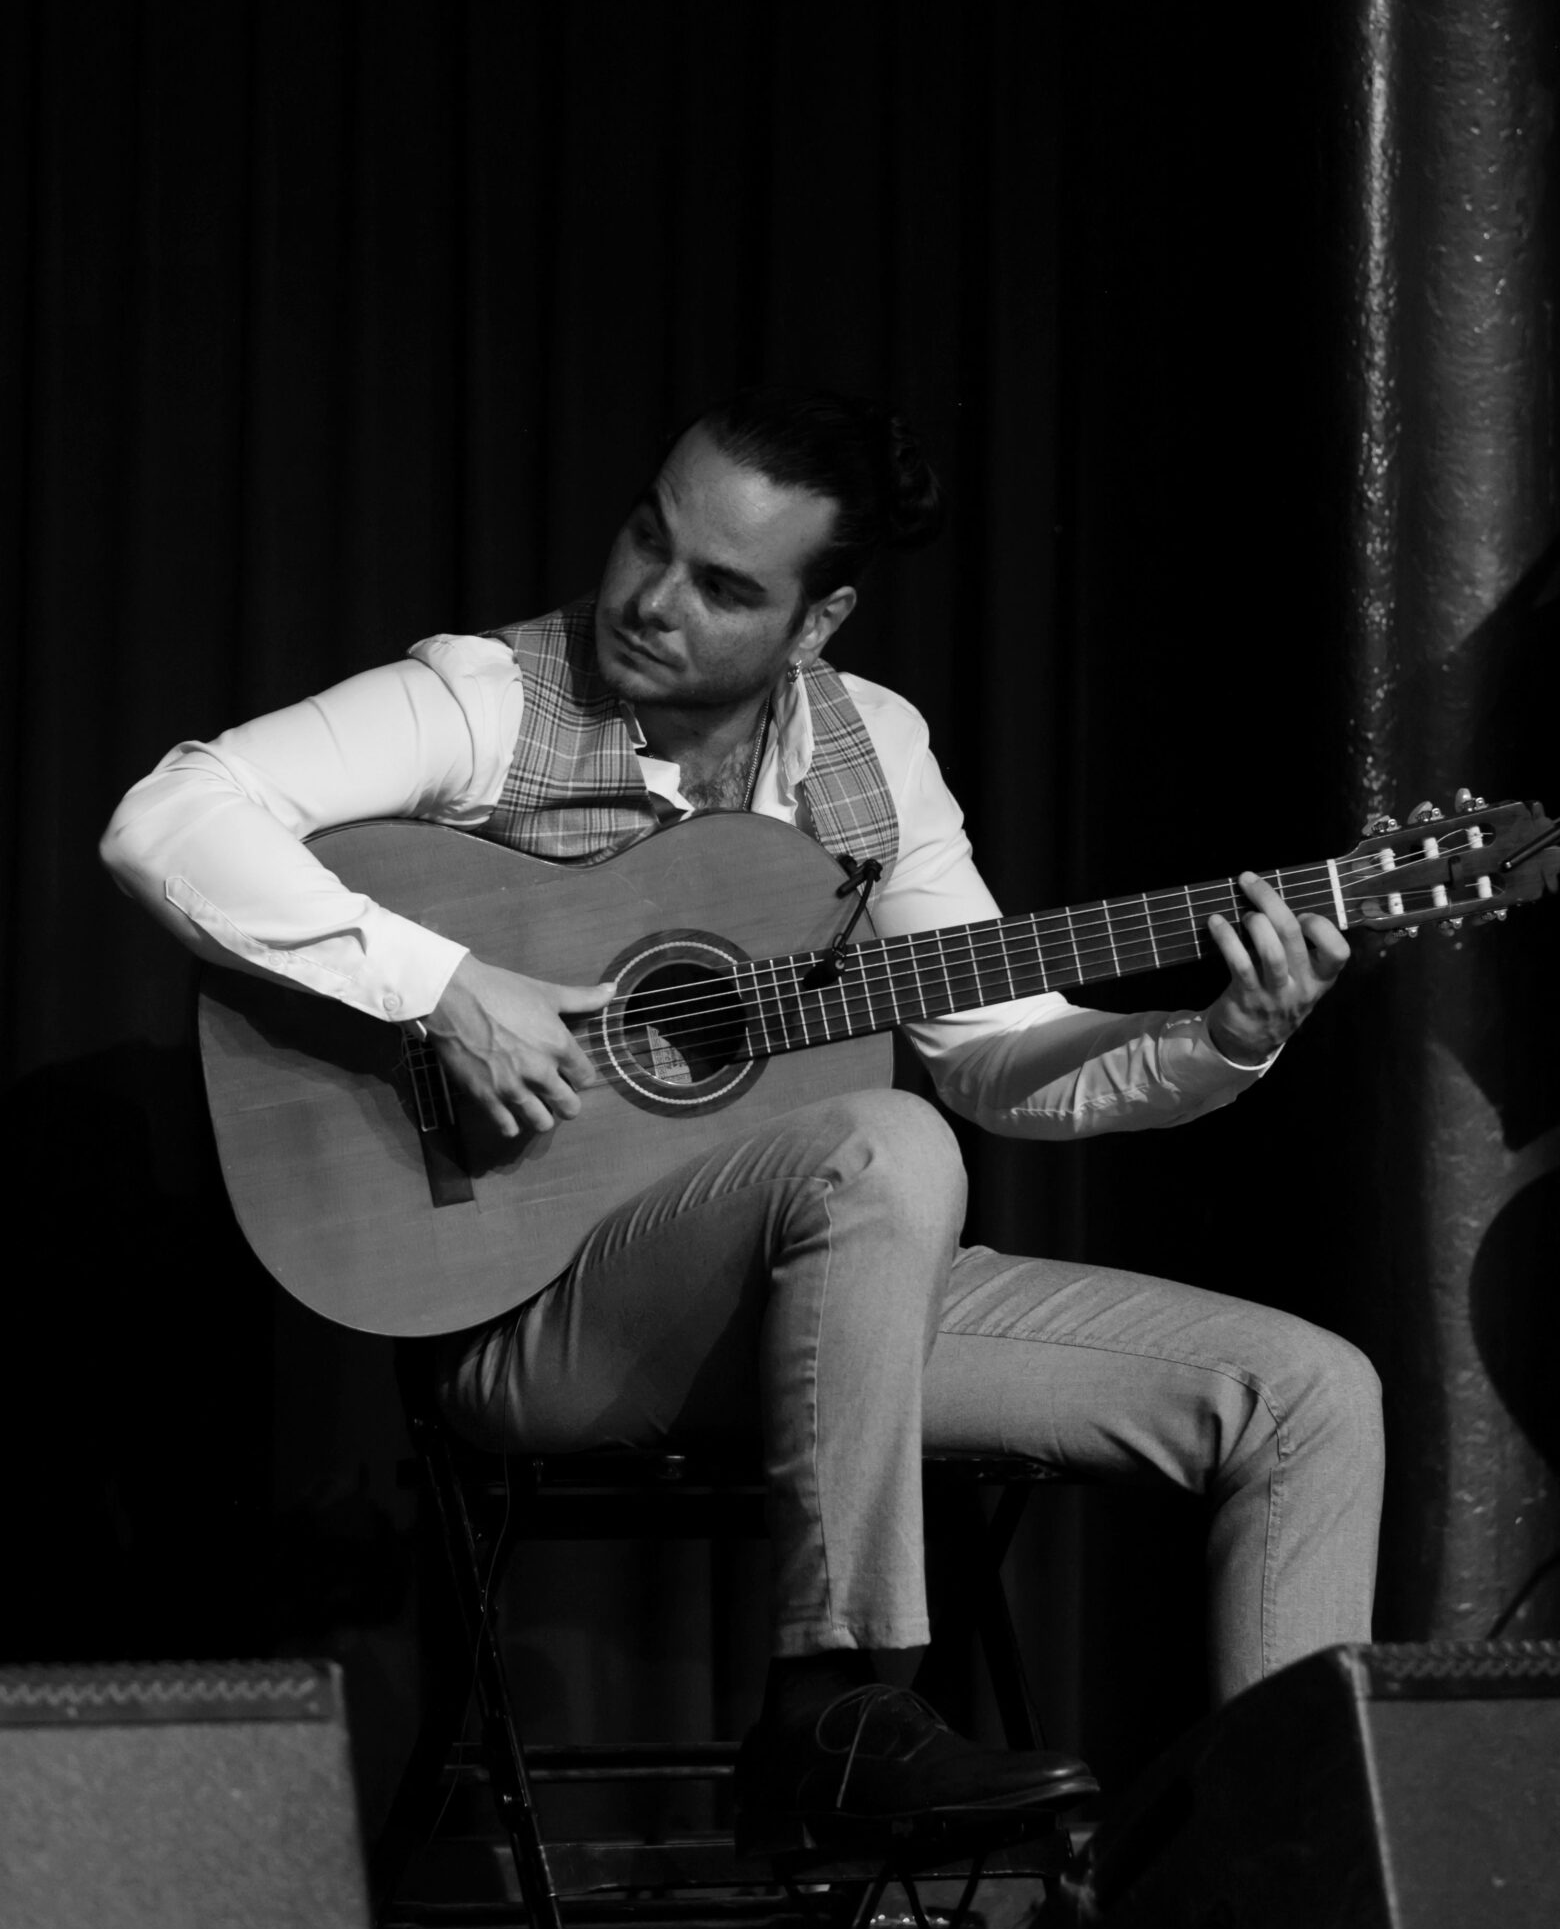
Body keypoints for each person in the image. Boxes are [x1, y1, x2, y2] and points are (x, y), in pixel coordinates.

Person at [102, 386, 1384, 1851]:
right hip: (543, 1318)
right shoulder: (486, 700)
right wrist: (441, 986)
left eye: (724, 589)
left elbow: (992, 1054)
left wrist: (1218, 1039)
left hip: (824, 1294)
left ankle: (1277, 1911)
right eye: (650, 535)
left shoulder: (871, 752)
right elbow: (171, 817)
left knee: (1311, 1394)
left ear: (817, 621)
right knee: (892, 1143)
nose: (650, 600)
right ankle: (834, 1705)